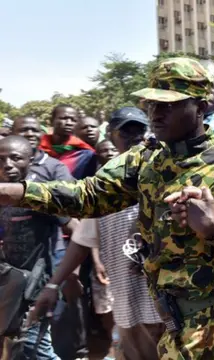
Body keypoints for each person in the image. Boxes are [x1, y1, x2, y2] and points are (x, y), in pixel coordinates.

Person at [0, 58, 214, 359]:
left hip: (212, 317)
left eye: (169, 105)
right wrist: (13, 192)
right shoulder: (144, 158)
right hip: (165, 314)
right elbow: (89, 196)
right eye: (152, 104)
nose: (156, 114)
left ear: (200, 108)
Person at [32, 107, 165, 360]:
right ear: (112, 135)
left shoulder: (166, 170)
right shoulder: (105, 184)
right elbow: (83, 239)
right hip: (128, 301)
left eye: (139, 129)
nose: (134, 136)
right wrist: (53, 284)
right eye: (126, 131)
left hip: (171, 299)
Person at [11, 116, 88, 360]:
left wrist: (63, 278)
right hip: (5, 285)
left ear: (29, 162)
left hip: (34, 284)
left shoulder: (38, 194)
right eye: (1, 159)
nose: (8, 165)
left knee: (36, 348)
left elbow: (79, 229)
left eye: (14, 159)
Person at [38, 104, 97, 179]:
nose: (69, 123)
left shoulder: (86, 155)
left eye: (73, 120)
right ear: (51, 121)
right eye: (64, 118)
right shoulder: (37, 151)